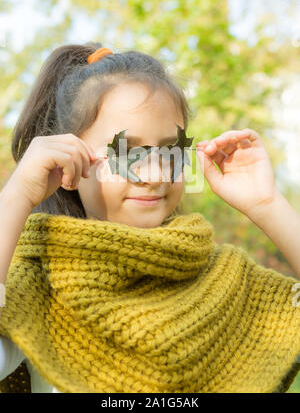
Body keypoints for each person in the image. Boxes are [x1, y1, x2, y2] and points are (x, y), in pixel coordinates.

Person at [0, 43, 299, 393]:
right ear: (67, 156)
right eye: (127, 151)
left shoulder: (227, 282)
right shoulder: (35, 284)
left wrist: (268, 204)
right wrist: (17, 195)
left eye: (171, 151)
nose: (155, 173)